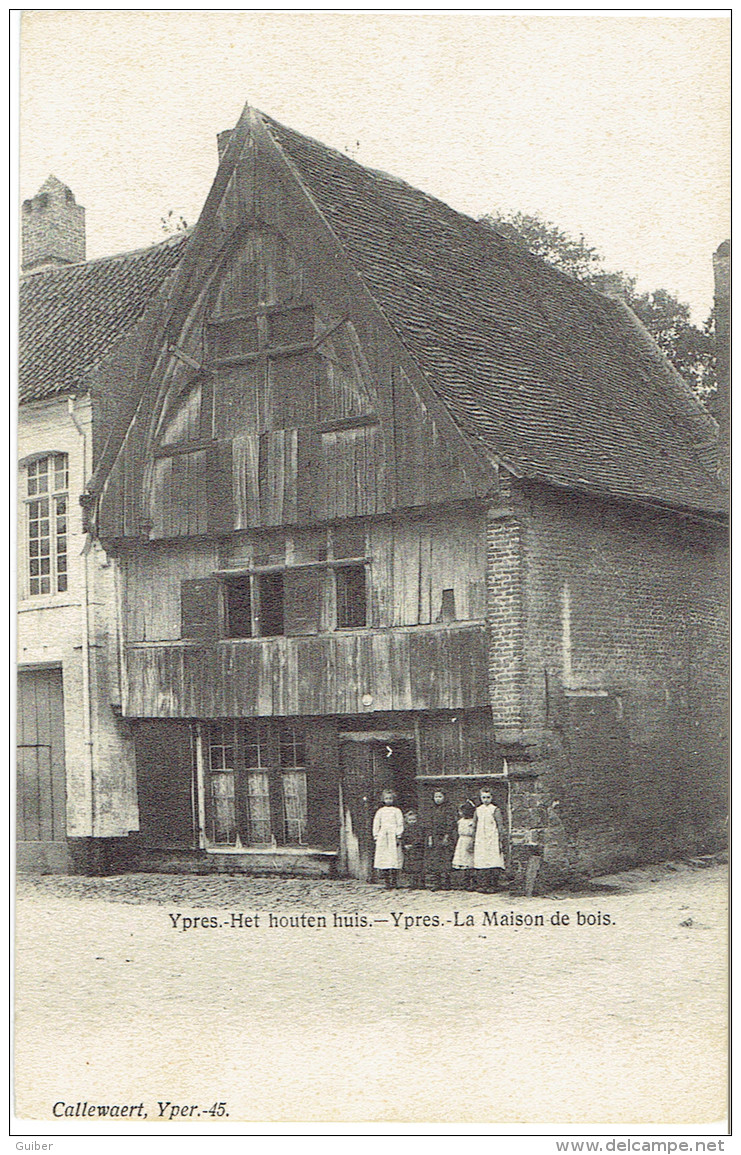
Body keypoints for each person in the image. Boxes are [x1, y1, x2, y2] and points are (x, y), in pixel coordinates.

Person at [472, 787, 506, 892]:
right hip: (481, 838)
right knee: (481, 860)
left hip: (492, 838)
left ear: (491, 798)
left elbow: (500, 825)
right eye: (483, 797)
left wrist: (500, 839)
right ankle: (482, 885)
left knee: (492, 860)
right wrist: (474, 838)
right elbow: (474, 825)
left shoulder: (495, 809)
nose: (486, 800)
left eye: (488, 797)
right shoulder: (478, 810)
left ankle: (493, 885)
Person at [425, 788, 456, 890]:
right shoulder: (432, 809)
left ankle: (446, 882)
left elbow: (450, 823)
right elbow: (429, 824)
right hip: (434, 837)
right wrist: (430, 837)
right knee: (435, 859)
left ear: (444, 797)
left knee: (445, 858)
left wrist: (447, 836)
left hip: (445, 836)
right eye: (436, 797)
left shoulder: (448, 809)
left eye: (440, 797)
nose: (437, 799)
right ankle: (436, 882)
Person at [372, 788, 404, 888]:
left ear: (393, 799)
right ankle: (387, 881)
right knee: (384, 858)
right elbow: (376, 824)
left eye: (390, 798)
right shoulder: (380, 811)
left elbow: (400, 824)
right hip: (383, 837)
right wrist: (376, 836)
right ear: (383, 799)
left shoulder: (397, 811)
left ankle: (394, 881)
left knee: (394, 858)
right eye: (386, 798)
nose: (388, 800)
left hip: (393, 836)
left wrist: (398, 835)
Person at [452, 800, 476, 889]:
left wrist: (472, 842)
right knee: (463, 861)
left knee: (470, 861)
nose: (460, 813)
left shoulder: (472, 821)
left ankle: (472, 882)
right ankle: (465, 882)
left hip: (469, 840)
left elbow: (473, 831)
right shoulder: (460, 821)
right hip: (462, 841)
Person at [401, 809, 425, 889]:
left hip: (417, 849)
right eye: (410, 820)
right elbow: (404, 838)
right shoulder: (406, 830)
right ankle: (413, 883)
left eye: (414, 820)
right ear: (407, 821)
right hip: (409, 850)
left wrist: (414, 845)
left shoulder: (419, 829)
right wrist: (405, 845)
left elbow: (420, 838)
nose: (412, 822)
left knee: (419, 866)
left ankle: (421, 883)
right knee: (410, 867)